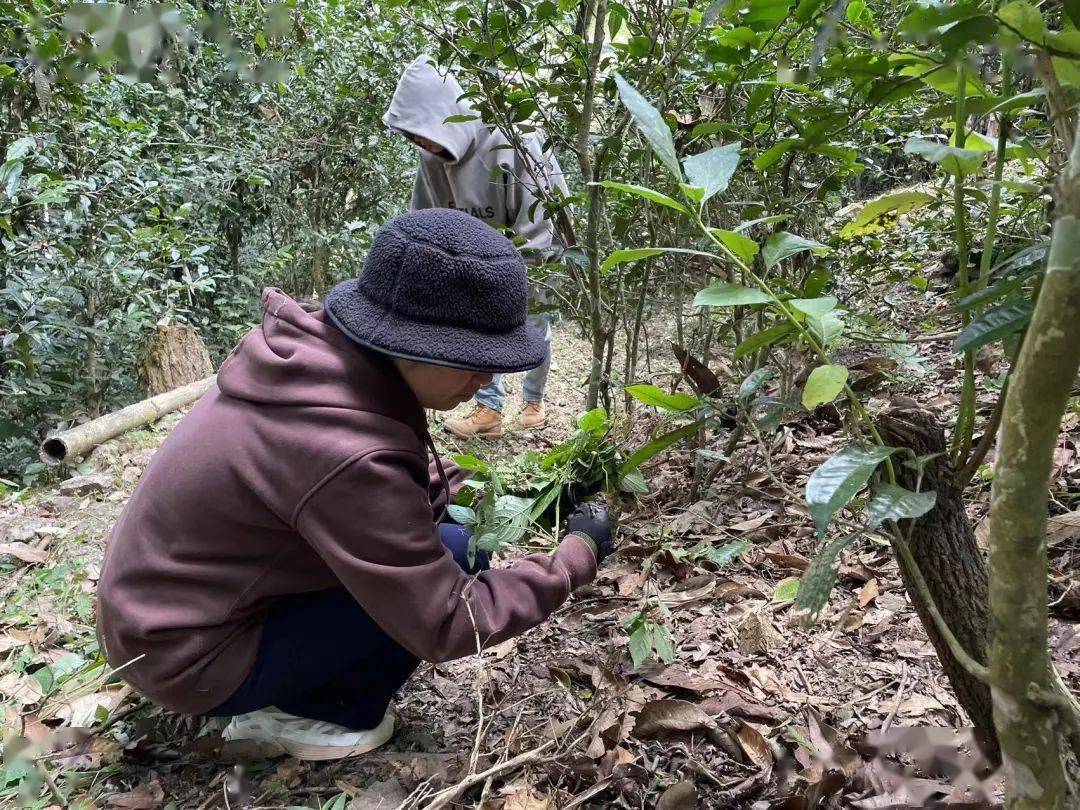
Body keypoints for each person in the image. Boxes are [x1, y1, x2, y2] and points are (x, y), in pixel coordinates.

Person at [95, 209, 613, 761]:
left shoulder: (319, 365)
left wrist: (493, 495)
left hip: (155, 624)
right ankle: (313, 717)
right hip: (188, 658)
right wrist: (573, 558)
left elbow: (389, 478)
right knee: (459, 557)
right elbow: (443, 618)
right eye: (472, 361)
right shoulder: (345, 451)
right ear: (410, 344)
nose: (486, 379)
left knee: (458, 540)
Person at [383, 55, 570, 439]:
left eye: (425, 132)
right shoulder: (430, 155)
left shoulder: (514, 137)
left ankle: (534, 401)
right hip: (472, 259)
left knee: (533, 326)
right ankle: (489, 410)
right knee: (473, 332)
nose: (421, 141)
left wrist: (516, 271)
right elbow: (426, 218)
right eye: (413, 134)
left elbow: (541, 220)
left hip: (528, 251)